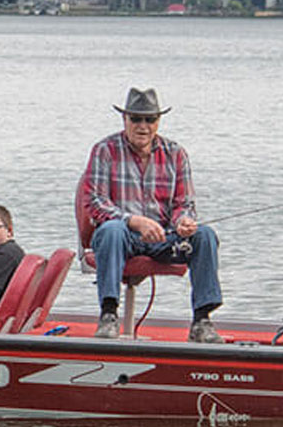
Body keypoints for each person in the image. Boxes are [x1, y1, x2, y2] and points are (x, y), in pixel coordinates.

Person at [80, 87, 223, 342]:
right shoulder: (104, 150)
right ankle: (109, 315)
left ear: (158, 121)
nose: (142, 126)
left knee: (205, 235)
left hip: (164, 237)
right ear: (125, 120)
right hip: (123, 236)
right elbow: (94, 202)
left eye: (150, 119)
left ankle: (202, 320)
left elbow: (185, 203)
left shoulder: (176, 153)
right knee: (111, 230)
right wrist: (134, 221)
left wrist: (183, 222)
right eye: (135, 118)